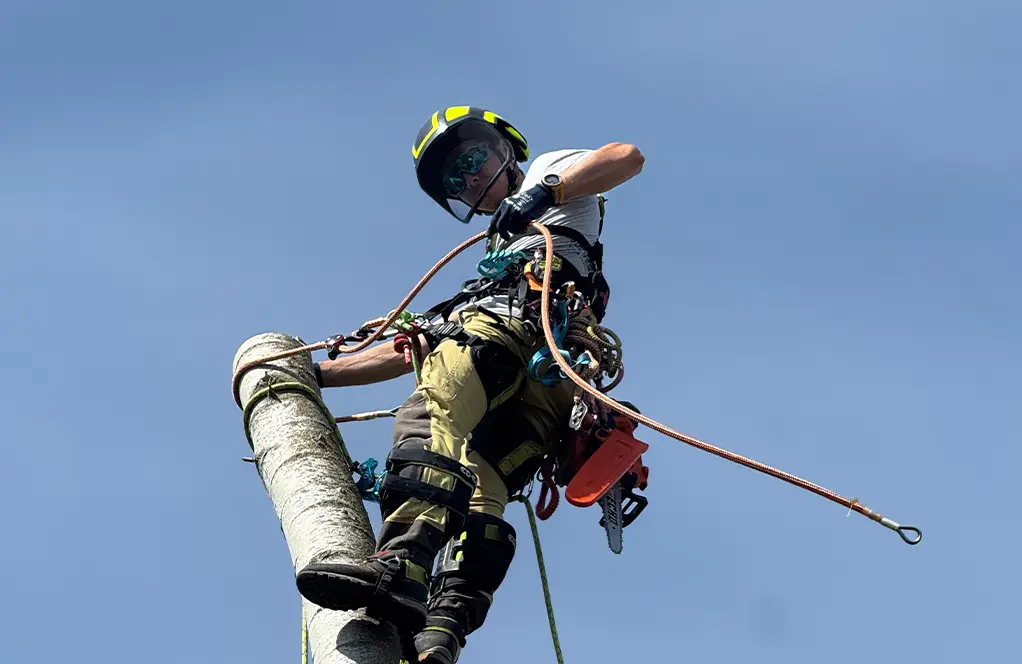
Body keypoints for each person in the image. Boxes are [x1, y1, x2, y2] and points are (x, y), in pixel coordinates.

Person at [296, 106, 644, 664]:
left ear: (506, 148)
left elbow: (626, 158)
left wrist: (540, 195)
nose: (470, 178)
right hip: (550, 383)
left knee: (430, 415)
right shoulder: (499, 255)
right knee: (483, 485)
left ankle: (402, 566)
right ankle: (442, 629)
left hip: (514, 338)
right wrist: (316, 375)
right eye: (455, 179)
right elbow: (418, 347)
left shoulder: (547, 178)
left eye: (474, 159)